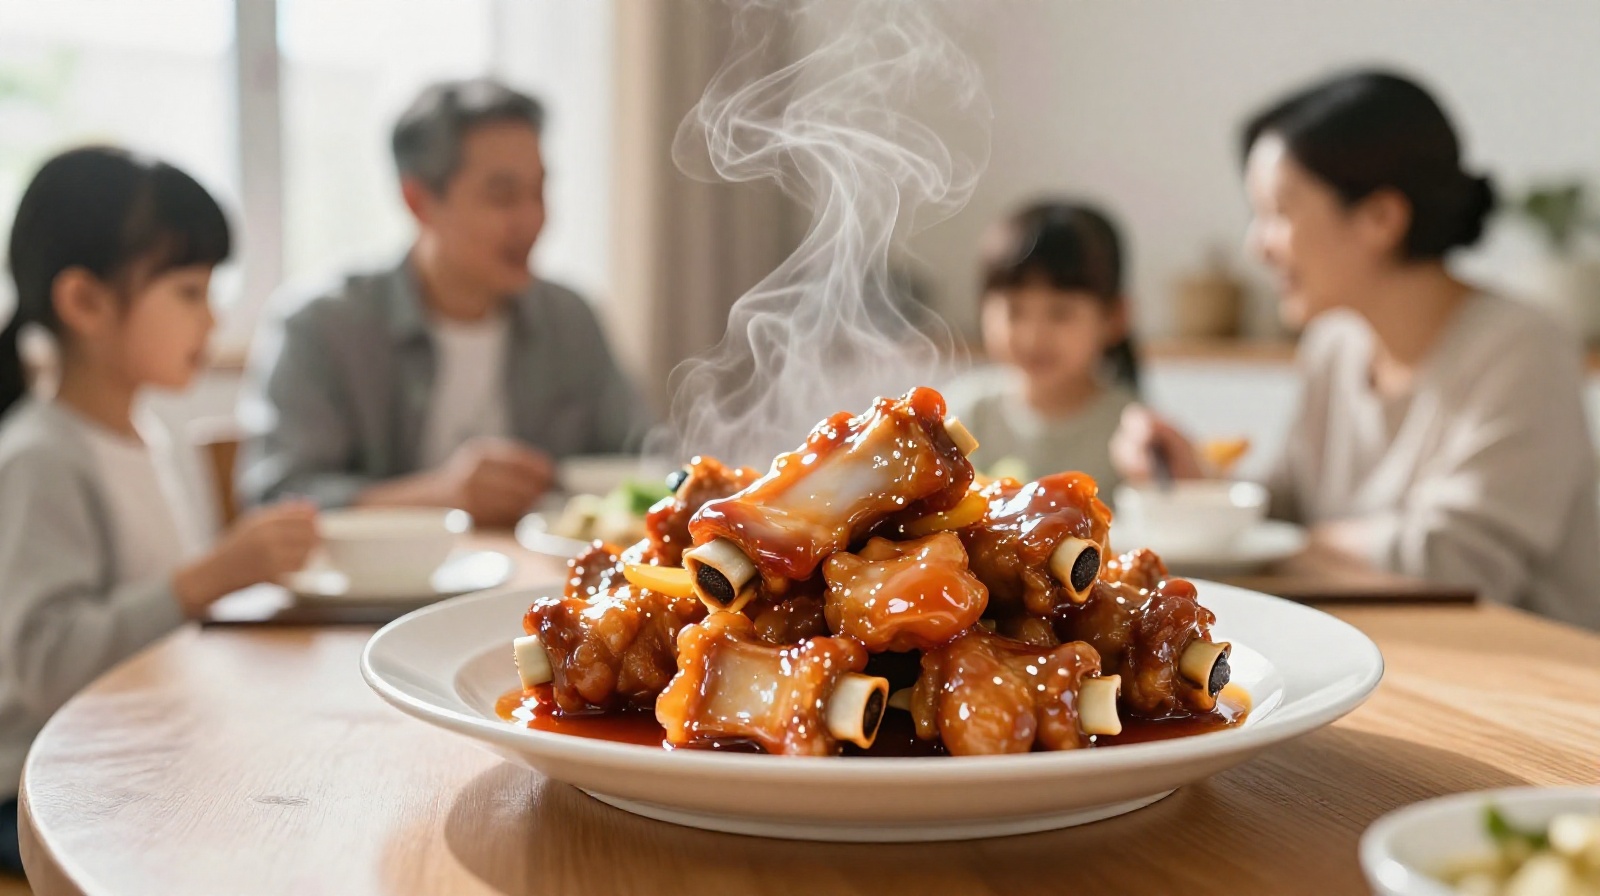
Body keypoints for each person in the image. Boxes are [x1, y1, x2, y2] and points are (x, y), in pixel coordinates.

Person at [1111, 70, 1600, 629]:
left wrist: (1288, 540)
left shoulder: (1524, 348)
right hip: (1393, 645)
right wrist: (1198, 483)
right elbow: (1289, 503)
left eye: (1279, 213)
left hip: (1529, 663)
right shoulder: (1335, 343)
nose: (1257, 246)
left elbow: (1459, 560)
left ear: (1381, 218)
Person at [0, 148, 320, 875]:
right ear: (85, 302)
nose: (212, 316)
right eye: (187, 291)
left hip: (130, 746)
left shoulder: (151, 436)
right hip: (37, 787)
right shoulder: (41, 458)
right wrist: (210, 576)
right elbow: (47, 663)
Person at [237, 78, 646, 528]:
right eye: (503, 196)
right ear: (419, 202)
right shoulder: (323, 325)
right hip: (387, 576)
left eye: (539, 191)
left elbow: (641, 458)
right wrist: (444, 495)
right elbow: (277, 500)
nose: (533, 219)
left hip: (541, 569)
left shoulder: (570, 319)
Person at [944, 200, 1138, 491]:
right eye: (1014, 311)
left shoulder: (1132, 432)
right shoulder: (962, 415)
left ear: (1114, 317)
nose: (1033, 337)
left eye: (1060, 313)